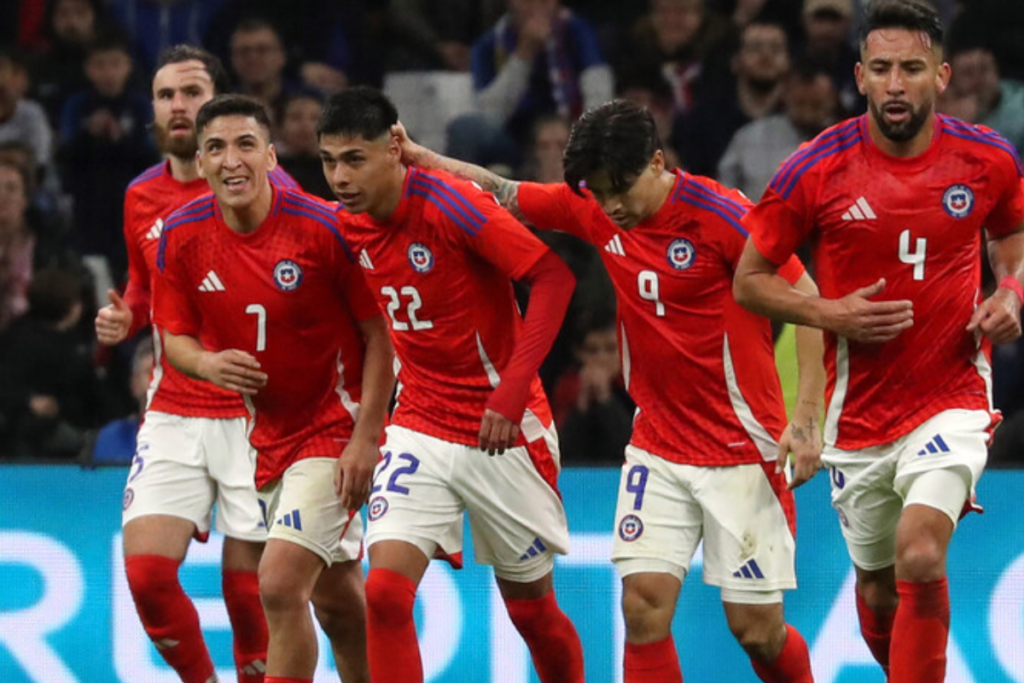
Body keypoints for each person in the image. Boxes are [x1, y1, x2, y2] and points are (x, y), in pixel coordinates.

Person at [396, 97, 823, 682]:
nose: (612, 205)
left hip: (742, 451)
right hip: (658, 446)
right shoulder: (598, 209)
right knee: (641, 607)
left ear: (656, 161)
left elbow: (810, 308)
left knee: (757, 631)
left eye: (621, 187)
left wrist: (805, 418)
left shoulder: (724, 216)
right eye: (598, 191)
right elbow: (505, 191)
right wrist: (420, 157)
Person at [732, 1, 1024, 681]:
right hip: (856, 415)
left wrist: (1011, 292)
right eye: (884, 69)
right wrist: (835, 316)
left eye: (913, 69)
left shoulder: (986, 158)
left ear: (942, 76)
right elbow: (750, 281)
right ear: (860, 76)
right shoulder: (815, 168)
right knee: (878, 590)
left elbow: (1012, 238)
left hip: (950, 392)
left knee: (921, 553)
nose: (897, 83)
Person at [317, 86, 584, 683]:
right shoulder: (346, 224)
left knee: (532, 614)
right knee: (384, 593)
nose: (339, 177)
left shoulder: (451, 205)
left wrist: (512, 391)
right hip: (419, 423)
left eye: (354, 159)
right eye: (329, 161)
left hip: (505, 430)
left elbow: (554, 278)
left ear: (394, 148)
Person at [154, 93, 393, 683]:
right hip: (269, 438)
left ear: (270, 153)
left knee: (280, 583)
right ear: (200, 162)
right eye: (215, 148)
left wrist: (367, 437)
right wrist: (207, 365)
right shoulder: (182, 235)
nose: (231, 160)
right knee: (337, 602)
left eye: (244, 145)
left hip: (334, 430)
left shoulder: (323, 229)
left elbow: (381, 336)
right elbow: (174, 337)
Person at [93, 45, 293, 683]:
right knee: (148, 574)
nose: (178, 105)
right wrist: (126, 314)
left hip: (254, 414)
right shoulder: (140, 197)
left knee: (249, 594)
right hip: (175, 406)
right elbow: (142, 285)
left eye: (191, 91)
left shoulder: (275, 190)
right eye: (165, 95)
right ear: (153, 109)